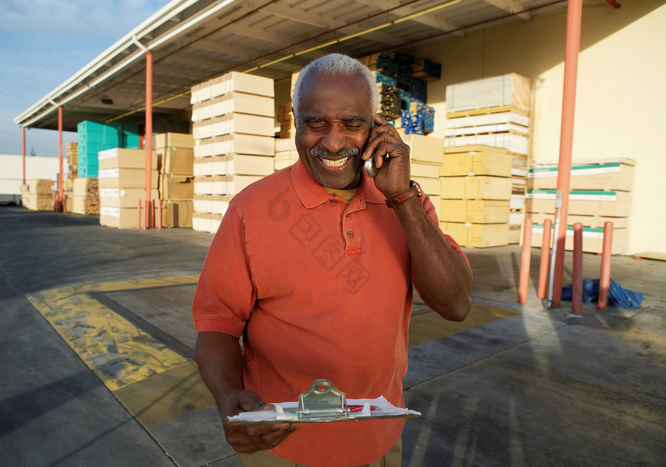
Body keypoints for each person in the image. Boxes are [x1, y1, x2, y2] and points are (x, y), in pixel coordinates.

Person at [192, 53, 472, 466]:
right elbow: (217, 324)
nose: (334, 142)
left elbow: (456, 304)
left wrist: (401, 198)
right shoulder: (250, 210)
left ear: (377, 126)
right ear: (295, 123)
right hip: (280, 446)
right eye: (316, 123)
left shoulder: (408, 204)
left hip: (378, 441)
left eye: (353, 123)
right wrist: (228, 396)